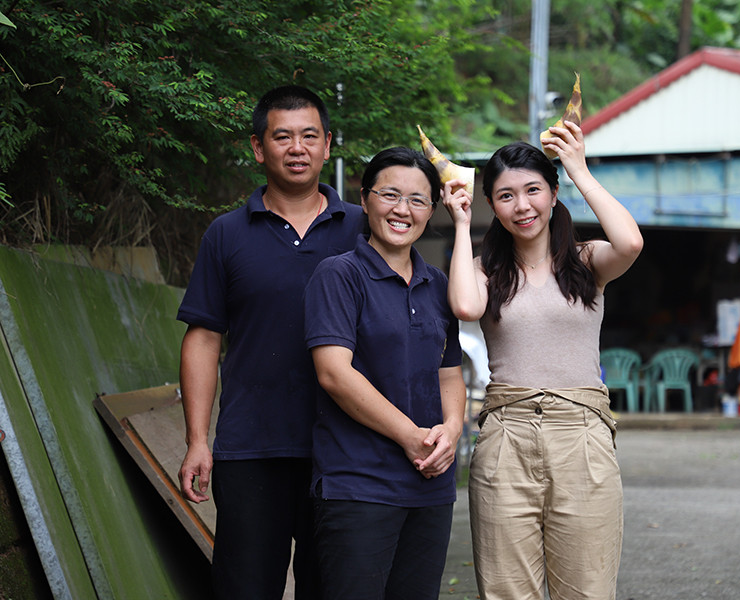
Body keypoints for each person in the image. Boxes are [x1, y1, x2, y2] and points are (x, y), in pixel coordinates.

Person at [176, 85, 366, 600]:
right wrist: (198, 439)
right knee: (244, 589)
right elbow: (203, 338)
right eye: (282, 137)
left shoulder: (364, 228)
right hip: (250, 450)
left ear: (328, 144)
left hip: (345, 450)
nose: (297, 148)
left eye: (309, 136)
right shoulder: (226, 234)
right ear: (260, 148)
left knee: (332, 589)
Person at [442, 121, 643, 600]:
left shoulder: (588, 260)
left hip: (582, 433)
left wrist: (578, 169)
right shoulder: (484, 272)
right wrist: (464, 224)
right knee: (508, 591)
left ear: (553, 194)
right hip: (506, 434)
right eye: (506, 196)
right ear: (493, 204)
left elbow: (631, 243)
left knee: (587, 589)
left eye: (533, 190)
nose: (522, 206)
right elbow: (466, 308)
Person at [303, 147, 467, 600]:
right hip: (358, 484)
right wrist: (411, 436)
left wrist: (451, 432)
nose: (402, 210)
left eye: (417, 200)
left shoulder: (438, 284)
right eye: (390, 195)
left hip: (430, 487)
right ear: (366, 197)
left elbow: (449, 374)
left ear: (431, 209)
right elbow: (334, 373)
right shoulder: (339, 275)